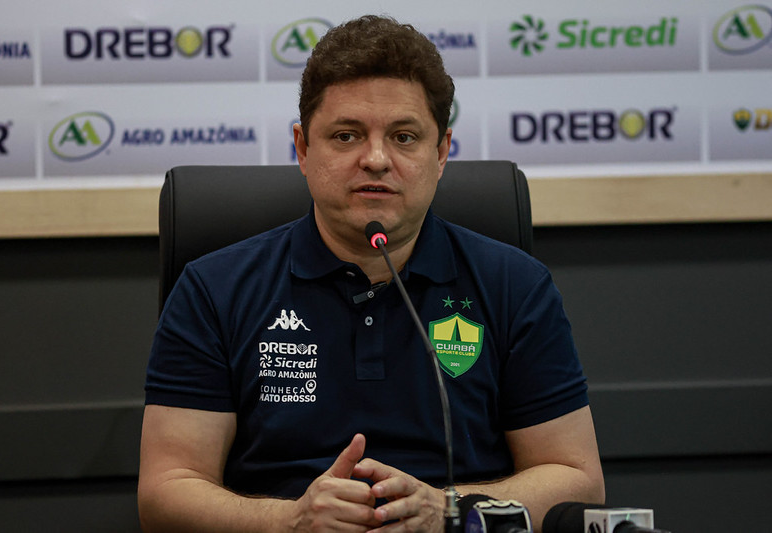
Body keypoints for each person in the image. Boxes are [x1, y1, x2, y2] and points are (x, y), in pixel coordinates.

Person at [138, 15, 605, 532]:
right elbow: (166, 491)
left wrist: (449, 511)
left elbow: (576, 479)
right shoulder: (214, 289)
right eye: (346, 135)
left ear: (442, 151)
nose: (377, 159)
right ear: (303, 148)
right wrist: (290, 521)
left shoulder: (515, 285)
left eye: (404, 137)